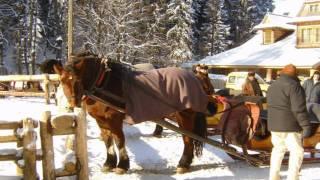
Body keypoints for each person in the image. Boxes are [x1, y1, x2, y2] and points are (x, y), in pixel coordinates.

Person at [267, 64, 312, 180]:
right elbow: (299, 109)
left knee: (278, 150)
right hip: (290, 127)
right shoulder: (294, 86)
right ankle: (293, 178)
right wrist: (306, 126)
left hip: (274, 125)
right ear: (295, 74)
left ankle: (274, 177)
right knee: (297, 152)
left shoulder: (273, 85)